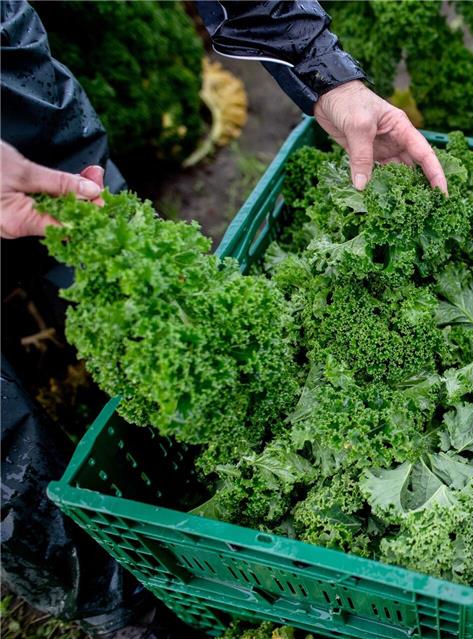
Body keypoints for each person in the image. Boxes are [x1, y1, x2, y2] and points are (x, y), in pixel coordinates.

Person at [0, 1, 445, 636]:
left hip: (9, 65)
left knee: (106, 236)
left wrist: (325, 73)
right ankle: (122, 605)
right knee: (10, 451)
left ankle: (150, 448)